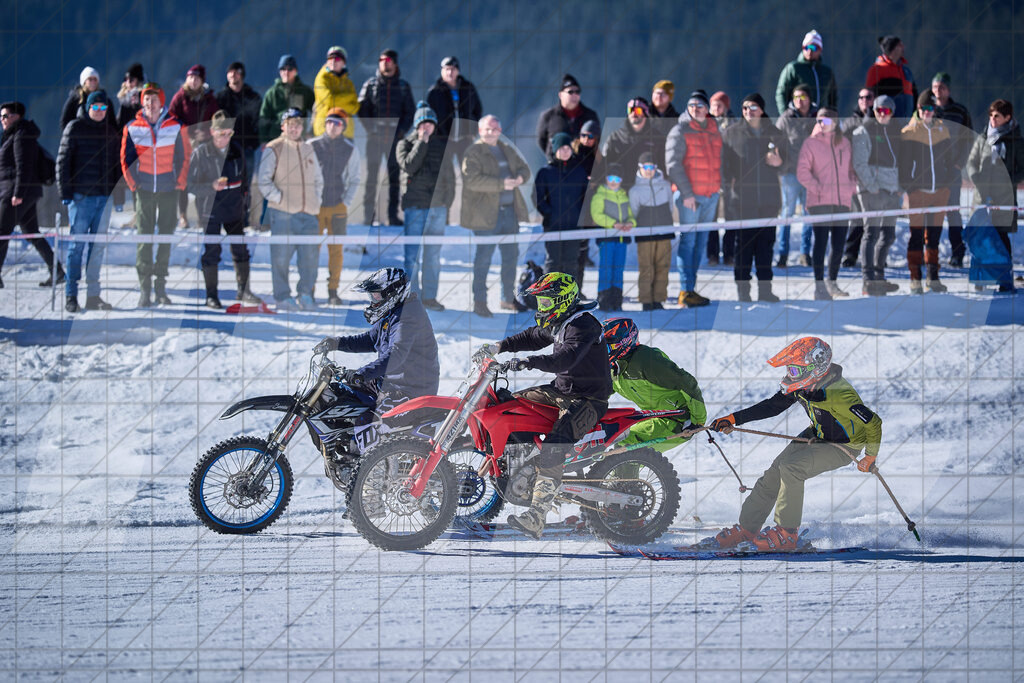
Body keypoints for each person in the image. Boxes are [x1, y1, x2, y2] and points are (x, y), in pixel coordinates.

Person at [706, 337, 882, 552]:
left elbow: (873, 422)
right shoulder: (803, 386)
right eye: (790, 369)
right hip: (818, 434)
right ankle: (747, 530)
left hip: (845, 445)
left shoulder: (840, 394)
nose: (791, 375)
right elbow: (772, 406)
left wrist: (870, 456)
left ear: (816, 368)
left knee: (792, 469)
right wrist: (733, 419)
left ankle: (786, 535)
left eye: (795, 370)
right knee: (774, 473)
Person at [476, 272, 612, 538]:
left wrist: (529, 362)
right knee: (509, 406)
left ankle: (537, 516)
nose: (542, 308)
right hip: (560, 391)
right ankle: (518, 466)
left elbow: (565, 359)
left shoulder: (584, 325)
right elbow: (532, 336)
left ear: (563, 300)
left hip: (588, 399)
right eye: (540, 302)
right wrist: (498, 347)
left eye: (546, 303)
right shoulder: (560, 322)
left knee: (554, 445)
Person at [313, 267, 440, 410]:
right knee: (338, 396)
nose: (373, 301)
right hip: (390, 382)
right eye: (372, 296)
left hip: (410, 390)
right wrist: (336, 343)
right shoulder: (394, 312)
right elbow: (371, 339)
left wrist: (361, 374)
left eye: (377, 296)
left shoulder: (408, 318)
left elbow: (395, 355)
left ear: (393, 293)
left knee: (362, 421)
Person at [120, 83, 189, 307]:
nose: (151, 103)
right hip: (145, 190)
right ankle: (145, 290)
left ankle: (160, 288)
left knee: (165, 237)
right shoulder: (132, 127)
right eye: (147, 99)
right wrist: (134, 185)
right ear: (142, 102)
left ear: (162, 102)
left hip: (169, 188)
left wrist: (179, 182)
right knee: (145, 239)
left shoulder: (176, 125)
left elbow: (185, 156)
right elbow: (125, 159)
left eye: (155, 99)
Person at [56, 90, 122, 312]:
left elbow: (116, 169)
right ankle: (71, 294)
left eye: (104, 108)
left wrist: (118, 196)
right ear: (88, 107)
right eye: (96, 107)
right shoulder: (74, 128)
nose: (100, 111)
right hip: (80, 197)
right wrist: (65, 193)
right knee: (77, 246)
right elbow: (63, 162)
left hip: (103, 199)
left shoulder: (111, 133)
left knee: (97, 249)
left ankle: (93, 295)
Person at [187, 110, 260, 309]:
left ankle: (244, 290)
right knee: (212, 251)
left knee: (241, 250)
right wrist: (210, 186)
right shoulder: (201, 153)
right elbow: (190, 185)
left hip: (234, 209)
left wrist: (245, 206)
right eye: (221, 134)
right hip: (209, 210)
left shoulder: (237, 151)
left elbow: (244, 182)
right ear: (212, 132)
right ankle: (212, 295)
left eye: (228, 133)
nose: (225, 138)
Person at [602, 318, 707, 452]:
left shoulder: (646, 361)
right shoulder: (613, 368)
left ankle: (624, 473)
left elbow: (686, 382)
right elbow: (599, 393)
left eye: (606, 346)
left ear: (623, 343)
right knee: (611, 435)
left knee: (627, 444)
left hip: (677, 420)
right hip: (652, 417)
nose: (602, 351)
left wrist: (698, 421)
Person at [461, 114, 531, 317]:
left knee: (510, 258)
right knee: (483, 260)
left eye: (495, 129)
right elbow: (472, 181)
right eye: (488, 129)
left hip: (510, 213)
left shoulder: (506, 148)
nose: (492, 132)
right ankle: (480, 302)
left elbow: (524, 169)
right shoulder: (473, 152)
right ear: (480, 131)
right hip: (485, 216)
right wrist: (502, 184)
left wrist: (520, 177)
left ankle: (507, 299)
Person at [257, 108, 324, 311]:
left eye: (298, 124)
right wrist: (280, 199)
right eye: (290, 124)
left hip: (310, 214)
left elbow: (318, 180)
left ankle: (305, 294)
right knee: (281, 258)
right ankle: (282, 297)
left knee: (310, 258)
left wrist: (316, 200)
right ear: (283, 126)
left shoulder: (308, 149)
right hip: (284, 213)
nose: (295, 128)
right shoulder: (273, 148)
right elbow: (263, 181)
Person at [721, 93, 786, 302]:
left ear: (762, 109)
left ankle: (765, 291)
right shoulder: (731, 133)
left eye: (754, 107)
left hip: (769, 199)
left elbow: (788, 160)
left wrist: (780, 163)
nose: (749, 111)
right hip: (743, 200)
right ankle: (743, 292)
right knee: (743, 248)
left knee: (765, 247)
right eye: (745, 107)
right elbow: (724, 167)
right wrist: (728, 190)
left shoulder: (774, 133)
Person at [666, 89, 723, 307]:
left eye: (700, 105)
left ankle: (691, 289)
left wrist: (720, 186)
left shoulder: (713, 129)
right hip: (690, 196)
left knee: (701, 243)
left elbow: (720, 159)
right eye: (691, 105)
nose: (695, 109)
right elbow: (673, 164)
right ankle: (684, 289)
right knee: (688, 242)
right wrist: (686, 193)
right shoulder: (679, 130)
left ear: (707, 108)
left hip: (711, 195)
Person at [396, 101, 454, 312]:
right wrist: (422, 142)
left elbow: (450, 176)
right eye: (423, 123)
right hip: (415, 207)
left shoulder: (442, 146)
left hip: (438, 208)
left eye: (430, 123)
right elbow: (409, 166)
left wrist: (447, 203)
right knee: (412, 256)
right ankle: (411, 298)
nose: (427, 127)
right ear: (416, 125)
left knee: (433, 256)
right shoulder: (405, 144)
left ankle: (430, 297)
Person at [0, 101, 62, 288]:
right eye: (1, 116)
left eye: (6, 115)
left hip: (16, 192)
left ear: (17, 116)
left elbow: (24, 166)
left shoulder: (21, 136)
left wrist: (18, 193)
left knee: (2, 232)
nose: (2, 119)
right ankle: (57, 271)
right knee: (31, 233)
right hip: (24, 191)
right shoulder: (16, 135)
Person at [796, 107, 857, 300]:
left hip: (842, 201)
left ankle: (832, 282)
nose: (822, 124)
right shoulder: (810, 143)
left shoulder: (845, 143)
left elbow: (851, 170)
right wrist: (818, 188)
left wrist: (850, 187)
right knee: (820, 244)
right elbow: (802, 172)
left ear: (836, 122)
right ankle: (819, 286)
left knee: (839, 245)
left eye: (827, 121)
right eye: (819, 121)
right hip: (819, 201)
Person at [900, 91, 955, 294]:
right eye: (924, 109)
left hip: (939, 191)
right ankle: (915, 278)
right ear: (918, 109)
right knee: (916, 235)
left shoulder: (942, 130)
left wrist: (947, 183)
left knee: (934, 236)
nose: (927, 112)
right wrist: (911, 188)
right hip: (918, 193)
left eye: (931, 109)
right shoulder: (909, 132)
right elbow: (904, 166)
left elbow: (950, 160)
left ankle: (933, 277)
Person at [967, 99, 1024, 293]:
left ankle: (1005, 280)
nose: (992, 119)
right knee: (980, 237)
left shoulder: (1016, 140)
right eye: (991, 115)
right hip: (981, 197)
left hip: (1004, 198)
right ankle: (980, 280)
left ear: (1007, 118)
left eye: (997, 116)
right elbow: (971, 162)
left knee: (1000, 239)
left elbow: (1022, 170)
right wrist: (977, 178)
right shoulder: (983, 137)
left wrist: (1007, 181)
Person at [851, 95, 902, 296]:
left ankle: (879, 276)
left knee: (888, 235)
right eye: (879, 110)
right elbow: (859, 164)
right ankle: (868, 279)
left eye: (886, 111)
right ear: (874, 111)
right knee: (871, 233)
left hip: (891, 189)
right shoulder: (864, 131)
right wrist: (871, 186)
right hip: (871, 190)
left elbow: (898, 162)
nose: (882, 114)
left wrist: (899, 187)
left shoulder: (893, 131)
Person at [358, 49, 415, 226]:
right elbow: (361, 110)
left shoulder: (404, 87)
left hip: (395, 139)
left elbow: (410, 112)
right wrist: (371, 129)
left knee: (394, 178)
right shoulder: (370, 85)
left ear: (395, 63)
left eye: (388, 60)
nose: (384, 62)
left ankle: (392, 216)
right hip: (374, 138)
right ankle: (368, 216)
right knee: (372, 179)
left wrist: (401, 132)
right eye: (381, 59)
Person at [310, 108, 360, 306]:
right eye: (330, 122)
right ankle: (309, 289)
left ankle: (333, 291)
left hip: (337, 207)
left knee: (336, 251)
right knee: (311, 250)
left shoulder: (350, 149)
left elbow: (355, 179)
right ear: (325, 124)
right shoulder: (311, 145)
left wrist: (345, 202)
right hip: (314, 208)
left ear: (343, 127)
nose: (333, 126)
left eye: (338, 123)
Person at [534, 132, 588, 288]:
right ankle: (549, 296)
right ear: (555, 150)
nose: (565, 151)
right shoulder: (545, 172)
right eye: (561, 148)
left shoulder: (579, 171)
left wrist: (581, 218)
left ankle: (570, 297)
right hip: (553, 225)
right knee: (553, 262)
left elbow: (586, 197)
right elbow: (538, 198)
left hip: (573, 225)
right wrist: (549, 214)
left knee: (571, 262)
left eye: (567, 148)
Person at [169, 64, 219, 229]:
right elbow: (171, 119)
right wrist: (188, 132)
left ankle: (201, 217)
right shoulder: (180, 96)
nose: (193, 81)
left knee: (202, 179)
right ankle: (182, 216)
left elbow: (217, 120)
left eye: (197, 78)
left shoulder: (209, 99)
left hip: (204, 144)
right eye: (191, 77)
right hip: (184, 144)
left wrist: (206, 132)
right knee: (183, 180)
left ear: (202, 80)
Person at [931, 72, 974, 268]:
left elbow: (968, 139)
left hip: (953, 170)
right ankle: (930, 253)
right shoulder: (927, 110)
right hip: (932, 172)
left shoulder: (960, 111)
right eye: (935, 87)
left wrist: (960, 163)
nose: (938, 91)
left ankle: (957, 253)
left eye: (941, 87)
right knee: (932, 213)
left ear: (948, 89)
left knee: (953, 212)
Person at [775, 84, 818, 267]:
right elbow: (774, 140)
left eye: (803, 97)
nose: (800, 101)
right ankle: (783, 254)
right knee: (787, 213)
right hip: (790, 174)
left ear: (809, 99)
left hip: (811, 174)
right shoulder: (786, 118)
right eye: (796, 97)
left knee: (809, 215)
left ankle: (805, 252)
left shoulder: (818, 117)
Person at [628, 152, 674, 311]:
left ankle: (659, 298)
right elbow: (634, 212)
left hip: (664, 231)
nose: (649, 170)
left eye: (652, 167)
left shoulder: (665, 185)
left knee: (663, 265)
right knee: (646, 266)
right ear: (640, 168)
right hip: (645, 233)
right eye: (645, 167)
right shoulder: (635, 190)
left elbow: (670, 206)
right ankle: (646, 299)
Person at [838, 87, 877, 268]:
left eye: (868, 97)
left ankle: (875, 256)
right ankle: (850, 254)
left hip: (876, 175)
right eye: (861, 97)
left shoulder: (880, 121)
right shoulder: (850, 122)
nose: (864, 100)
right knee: (857, 217)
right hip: (855, 175)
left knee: (876, 217)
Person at [590, 164, 635, 311]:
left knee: (618, 269)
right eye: (611, 178)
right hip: (607, 238)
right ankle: (604, 299)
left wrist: (630, 223)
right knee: (606, 269)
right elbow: (597, 215)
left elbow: (631, 214)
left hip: (621, 239)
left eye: (617, 178)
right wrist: (613, 224)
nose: (613, 181)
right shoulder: (600, 195)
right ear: (606, 179)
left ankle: (616, 299)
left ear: (621, 180)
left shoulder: (624, 195)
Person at [426, 56, 483, 161]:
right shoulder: (434, 92)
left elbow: (477, 110)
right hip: (444, 140)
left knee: (467, 170)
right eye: (446, 69)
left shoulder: (468, 88)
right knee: (446, 174)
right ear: (442, 71)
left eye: (452, 69)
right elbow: (429, 116)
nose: (449, 72)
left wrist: (473, 131)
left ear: (458, 71)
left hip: (465, 139)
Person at [215, 62, 262, 183]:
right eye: (230, 73)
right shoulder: (220, 98)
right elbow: (214, 122)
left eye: (236, 73)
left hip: (247, 149)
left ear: (242, 75)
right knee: (227, 186)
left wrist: (254, 142)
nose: (233, 76)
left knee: (245, 187)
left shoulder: (253, 97)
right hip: (226, 150)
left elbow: (260, 122)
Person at [774, 30, 837, 117]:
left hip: (820, 120)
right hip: (797, 119)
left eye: (813, 48)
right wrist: (786, 116)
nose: (809, 51)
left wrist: (832, 118)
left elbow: (833, 98)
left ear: (820, 50)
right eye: (806, 47)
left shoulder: (827, 72)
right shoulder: (793, 68)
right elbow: (781, 93)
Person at [707, 90, 737, 267]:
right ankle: (712, 254)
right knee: (711, 217)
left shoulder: (734, 125)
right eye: (714, 105)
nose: (716, 108)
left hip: (729, 175)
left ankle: (729, 253)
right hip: (710, 176)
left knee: (731, 217)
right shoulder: (705, 124)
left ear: (726, 107)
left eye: (720, 105)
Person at [536, 74, 600, 156]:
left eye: (577, 92)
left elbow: (598, 140)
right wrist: (555, 156)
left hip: (585, 166)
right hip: (558, 166)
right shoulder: (548, 116)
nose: (574, 95)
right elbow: (541, 141)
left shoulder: (590, 116)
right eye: (570, 92)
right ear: (560, 95)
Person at [601, 97, 657, 192]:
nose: (633, 113)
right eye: (630, 110)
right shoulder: (615, 138)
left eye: (637, 110)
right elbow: (603, 165)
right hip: (621, 192)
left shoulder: (656, 138)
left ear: (646, 113)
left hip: (648, 192)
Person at [258, 55, 316, 144]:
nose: (286, 72)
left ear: (295, 71)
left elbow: (316, 111)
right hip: (276, 138)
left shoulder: (305, 91)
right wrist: (264, 140)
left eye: (290, 69)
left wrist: (311, 131)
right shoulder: (272, 93)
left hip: (299, 138)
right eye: (283, 69)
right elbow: (264, 117)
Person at [865, 36, 917, 119]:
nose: (903, 47)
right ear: (892, 49)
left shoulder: (906, 71)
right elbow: (869, 96)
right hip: (889, 120)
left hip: (908, 119)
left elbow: (914, 94)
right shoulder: (876, 70)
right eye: (900, 45)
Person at [313, 46, 358, 139]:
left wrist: (337, 100)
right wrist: (348, 97)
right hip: (325, 130)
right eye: (330, 58)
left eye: (337, 58)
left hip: (346, 132)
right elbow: (329, 100)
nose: (333, 61)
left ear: (343, 62)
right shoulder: (321, 79)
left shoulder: (348, 83)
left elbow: (355, 107)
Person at [60, 67, 116, 132]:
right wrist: (71, 135)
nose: (93, 82)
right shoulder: (76, 99)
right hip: (80, 137)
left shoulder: (105, 100)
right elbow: (65, 120)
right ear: (84, 82)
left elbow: (112, 122)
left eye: (95, 79)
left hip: (101, 137)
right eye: (90, 79)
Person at [116, 63, 145, 130]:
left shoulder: (143, 96)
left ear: (138, 81)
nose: (128, 82)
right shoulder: (122, 98)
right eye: (126, 79)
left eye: (131, 79)